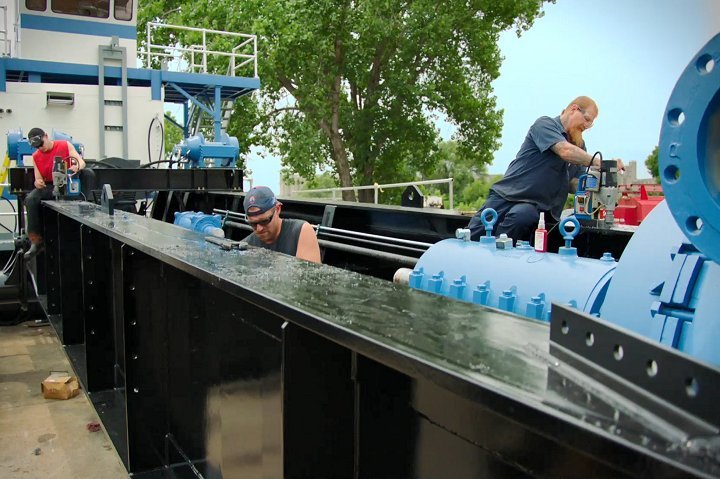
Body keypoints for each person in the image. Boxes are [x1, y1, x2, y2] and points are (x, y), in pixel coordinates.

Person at [467, 96, 622, 243]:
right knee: (470, 237)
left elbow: (574, 183)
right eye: (587, 119)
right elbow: (565, 151)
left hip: (536, 208)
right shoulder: (545, 125)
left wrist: (600, 189)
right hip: (507, 196)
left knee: (522, 217)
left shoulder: (580, 146)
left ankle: (497, 255)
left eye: (591, 123)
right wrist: (602, 164)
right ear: (574, 109)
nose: (587, 126)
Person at [24, 127, 86, 260]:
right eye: (37, 147)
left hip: (68, 182)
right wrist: (38, 183)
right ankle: (36, 241)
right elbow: (38, 179)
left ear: (46, 136)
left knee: (67, 197)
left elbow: (81, 162)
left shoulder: (64, 145)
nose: (41, 148)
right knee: (30, 199)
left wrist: (76, 166)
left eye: (41, 144)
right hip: (50, 186)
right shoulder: (36, 156)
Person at [243, 186, 321, 263]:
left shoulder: (301, 231)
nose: (259, 228)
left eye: (264, 221)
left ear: (277, 209)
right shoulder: (247, 245)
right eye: (253, 224)